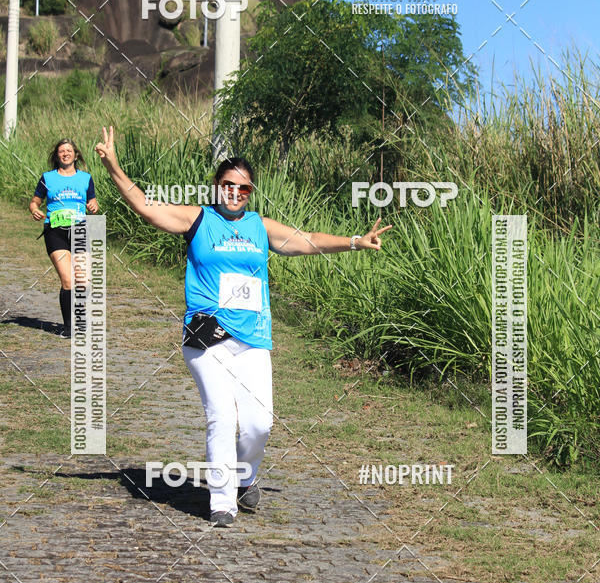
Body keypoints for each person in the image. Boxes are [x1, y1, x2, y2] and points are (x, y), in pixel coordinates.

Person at [95, 125, 391, 528]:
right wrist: (113, 165)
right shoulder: (197, 219)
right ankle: (221, 503)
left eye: (244, 188)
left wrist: (356, 241)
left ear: (251, 193)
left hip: (252, 338)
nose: (235, 193)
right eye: (229, 185)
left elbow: (308, 240)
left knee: (258, 423)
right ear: (216, 186)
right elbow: (145, 205)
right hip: (207, 335)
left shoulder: (259, 227)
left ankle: (245, 477)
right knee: (221, 413)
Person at [29, 138, 99, 338]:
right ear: (57, 156)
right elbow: (35, 201)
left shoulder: (86, 178)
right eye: (61, 151)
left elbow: (93, 201)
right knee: (68, 280)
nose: (65, 153)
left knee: (83, 280)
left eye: (69, 150)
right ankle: (69, 328)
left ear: (76, 155)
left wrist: (94, 206)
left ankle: (81, 321)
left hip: (80, 229)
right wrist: (35, 209)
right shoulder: (47, 178)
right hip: (55, 231)